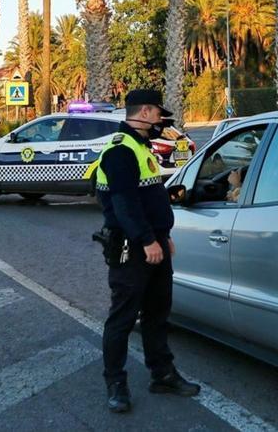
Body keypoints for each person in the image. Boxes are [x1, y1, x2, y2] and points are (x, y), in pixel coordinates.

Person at [93, 88, 199, 413]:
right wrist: (146, 240)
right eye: (157, 113)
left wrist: (162, 235)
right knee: (122, 319)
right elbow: (124, 205)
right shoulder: (120, 151)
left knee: (157, 314)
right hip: (132, 249)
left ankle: (162, 373)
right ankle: (116, 384)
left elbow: (149, 198)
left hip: (153, 243)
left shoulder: (142, 147)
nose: (160, 120)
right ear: (144, 112)